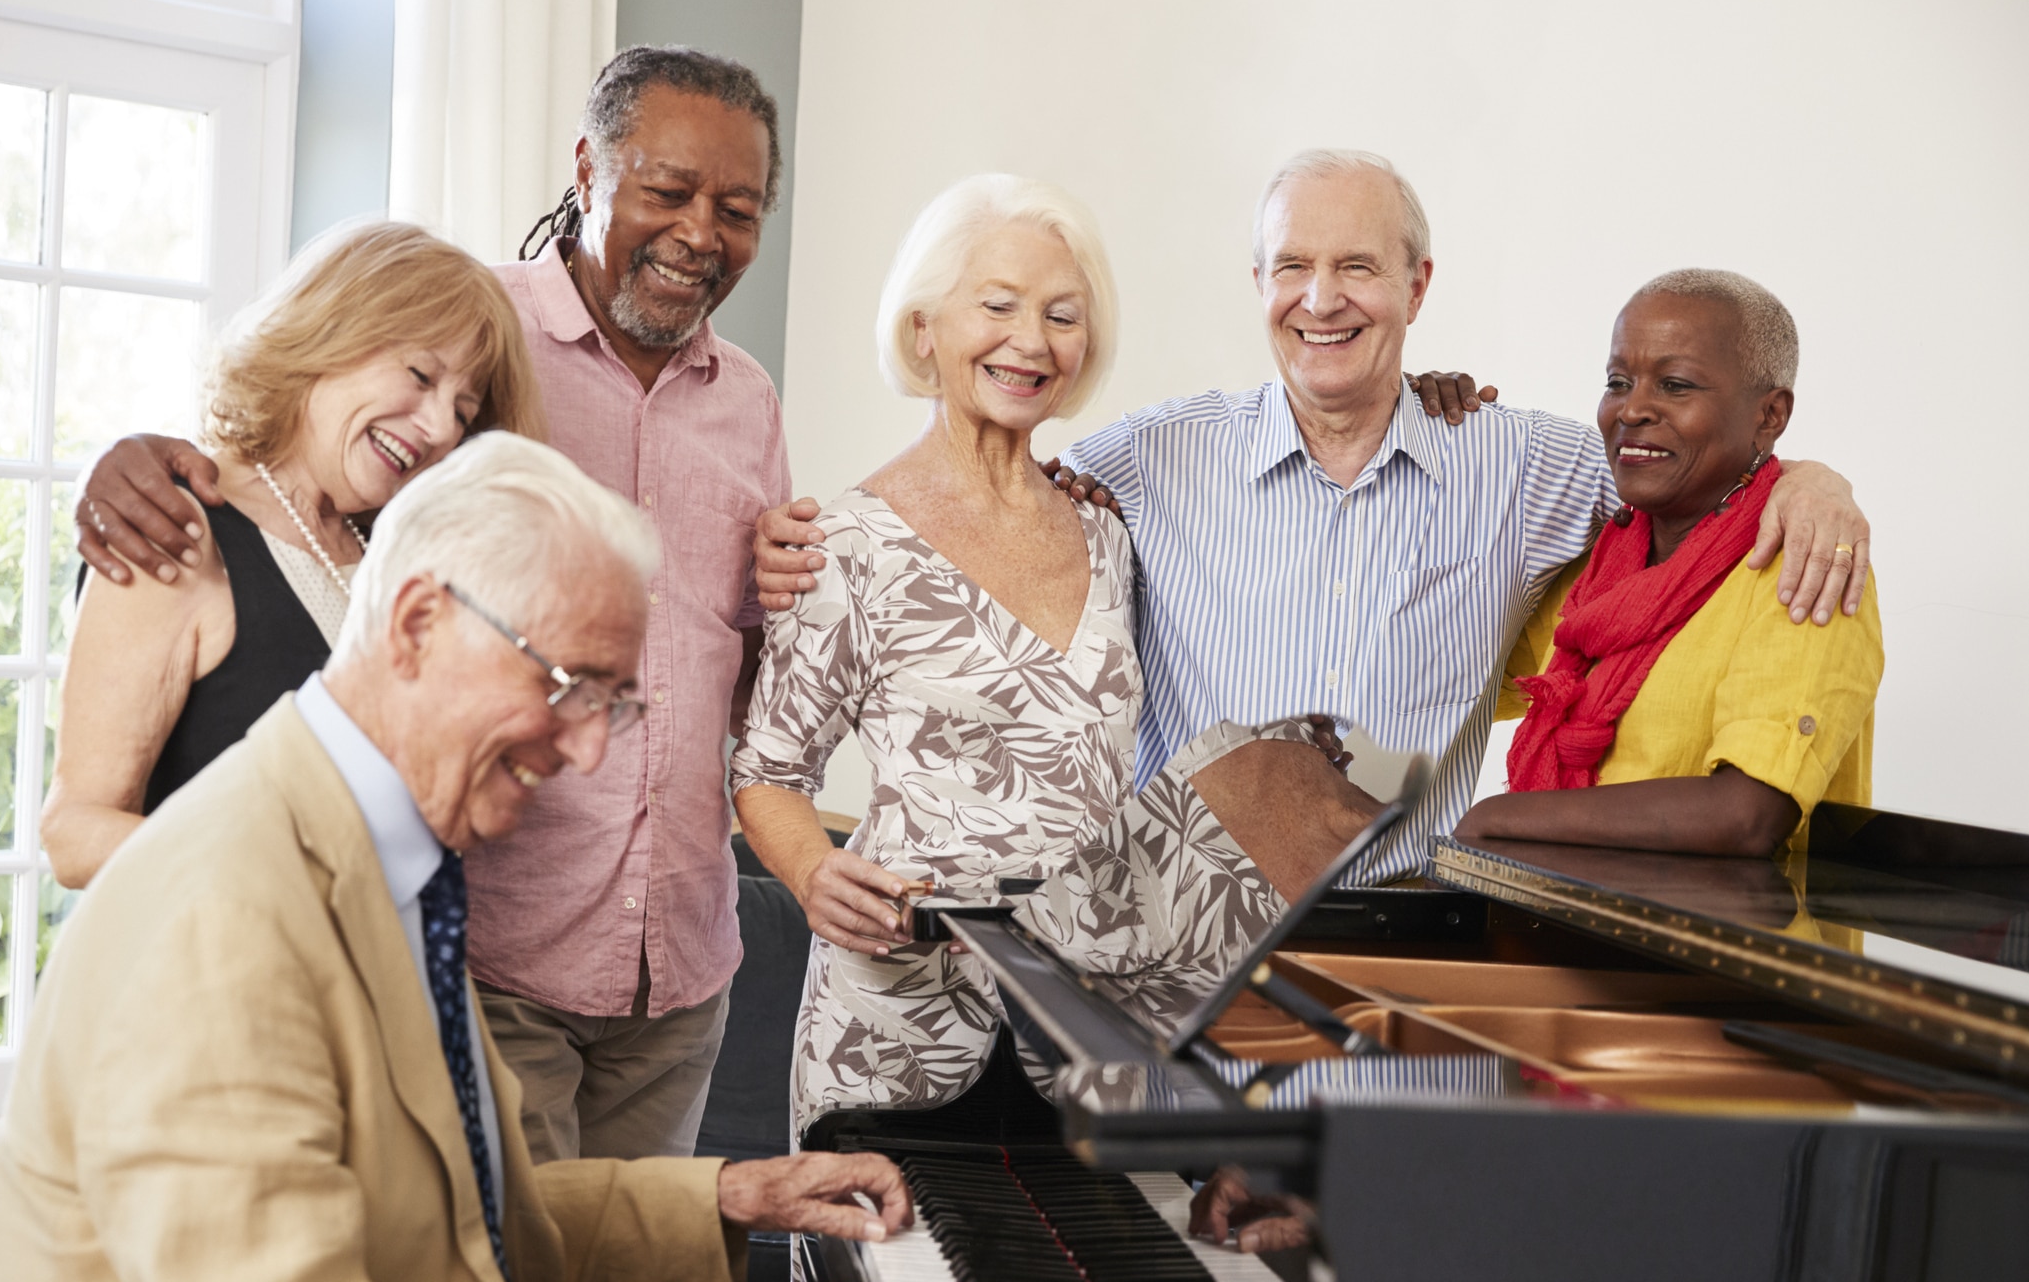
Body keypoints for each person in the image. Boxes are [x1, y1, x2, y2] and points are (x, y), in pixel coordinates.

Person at [0, 434, 987, 1282]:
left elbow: (469, 1228)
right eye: (569, 685)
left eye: (613, 704)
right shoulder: (221, 913)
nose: (588, 751)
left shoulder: (393, 863)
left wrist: (734, 1197)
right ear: (416, 623)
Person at [755, 148, 1872, 937]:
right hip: (1176, 952)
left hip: (1415, 952)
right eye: (1292, 266)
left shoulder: (1523, 463)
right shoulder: (1153, 457)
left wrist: (1817, 482)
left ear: (1415, 287)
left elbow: (1688, 480)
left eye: (1358, 268)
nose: (1321, 299)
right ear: (1259, 285)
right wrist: (811, 540)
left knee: (1395, 1264)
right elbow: (989, 497)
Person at [68, 46, 792, 1175]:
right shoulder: (472, 321)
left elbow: (737, 655)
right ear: (590, 168)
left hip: (678, 958)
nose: (441, 421)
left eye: (737, 208)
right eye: (667, 191)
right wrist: (129, 459)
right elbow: (286, 432)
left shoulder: (746, 399)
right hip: (485, 957)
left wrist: (793, 587)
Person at [729, 174, 1157, 1135]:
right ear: (924, 327)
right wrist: (812, 875)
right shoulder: (841, 545)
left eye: (1061, 315)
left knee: (1082, 1281)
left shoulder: (1106, 537)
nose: (1031, 340)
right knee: (889, 1281)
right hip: (899, 1023)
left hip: (1086, 1029)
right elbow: (767, 773)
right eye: (996, 305)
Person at [41, 220, 540, 888]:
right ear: (331, 332)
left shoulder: (390, 564)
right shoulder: (177, 529)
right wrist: (277, 866)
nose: (438, 427)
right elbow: (74, 834)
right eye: (420, 374)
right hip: (216, 979)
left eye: (463, 410)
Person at [1455, 270, 1882, 854]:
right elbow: (1444, 680)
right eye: (1618, 381)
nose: (1632, 410)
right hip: (1563, 934)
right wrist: (1432, 433)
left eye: (1676, 385)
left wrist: (1498, 819)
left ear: (1770, 416)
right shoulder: (1594, 572)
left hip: (1722, 943)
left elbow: (1748, 815)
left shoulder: (1806, 564)